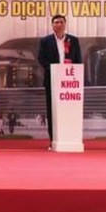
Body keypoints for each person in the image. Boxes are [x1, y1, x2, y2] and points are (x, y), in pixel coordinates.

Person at [36, 14, 82, 143]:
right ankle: (54, 139)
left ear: (65, 24)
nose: (59, 24)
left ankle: (70, 138)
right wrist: (55, 70)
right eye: (56, 22)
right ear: (52, 25)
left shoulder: (73, 40)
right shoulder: (45, 41)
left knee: (70, 110)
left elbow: (78, 59)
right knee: (53, 110)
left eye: (61, 22)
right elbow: (41, 59)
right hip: (53, 80)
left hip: (70, 83)